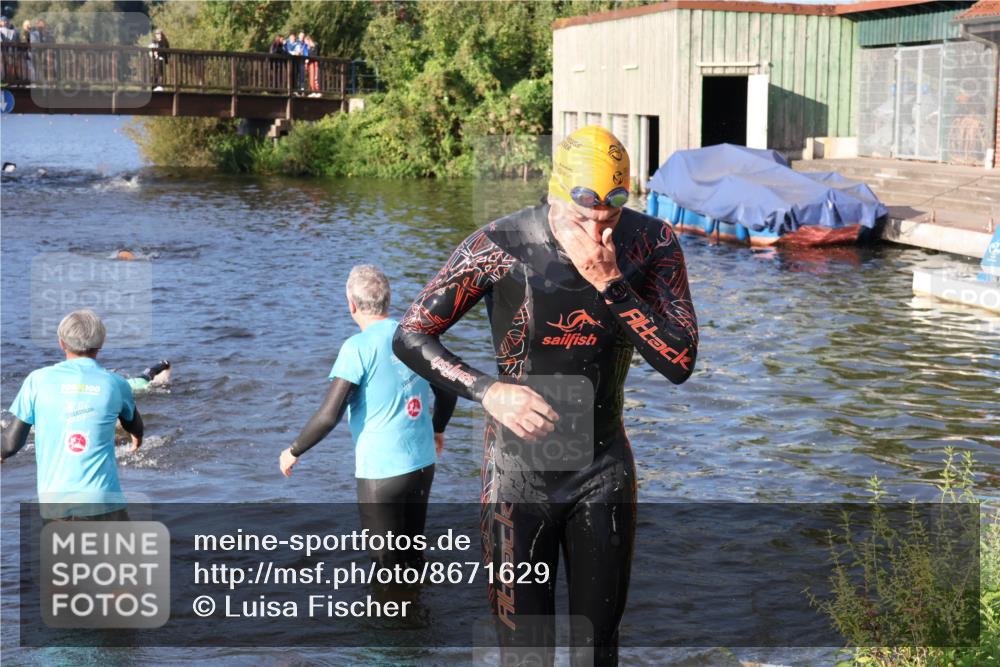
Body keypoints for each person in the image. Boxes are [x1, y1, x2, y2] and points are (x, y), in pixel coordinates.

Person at [392, 125, 698, 665]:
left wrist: (612, 284)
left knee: (597, 649)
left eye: (610, 220)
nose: (598, 234)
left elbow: (679, 362)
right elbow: (411, 334)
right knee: (523, 651)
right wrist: (488, 392)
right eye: (583, 219)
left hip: (602, 469)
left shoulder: (652, 244)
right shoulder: (499, 245)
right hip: (517, 473)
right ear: (555, 194)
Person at [280, 265, 457, 570]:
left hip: (381, 473)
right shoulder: (417, 335)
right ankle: (419, 614)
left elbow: (328, 415)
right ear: (387, 300)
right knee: (413, 559)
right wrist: (438, 429)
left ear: (351, 304)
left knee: (384, 568)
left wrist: (294, 450)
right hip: (422, 464)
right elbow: (449, 391)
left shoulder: (356, 348)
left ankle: (391, 617)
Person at [1, 309, 144, 520]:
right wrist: (137, 439)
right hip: (104, 503)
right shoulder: (116, 384)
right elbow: (135, 425)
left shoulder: (37, 380)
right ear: (100, 345)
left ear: (62, 343)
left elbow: (11, 444)